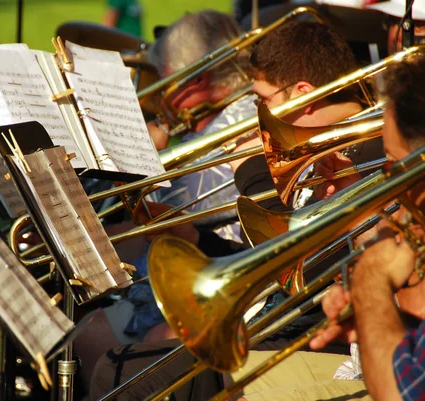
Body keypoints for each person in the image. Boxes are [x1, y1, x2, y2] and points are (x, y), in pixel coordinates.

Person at [88, 19, 376, 401]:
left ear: (304, 93)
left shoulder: (366, 153)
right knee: (117, 364)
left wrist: (252, 173)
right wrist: (197, 238)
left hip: (306, 333)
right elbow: (275, 256)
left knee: (118, 371)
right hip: (272, 320)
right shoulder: (320, 148)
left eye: (263, 99)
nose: (256, 110)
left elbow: (300, 262)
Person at [74, 11, 257, 394]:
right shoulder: (234, 115)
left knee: (92, 334)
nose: (159, 92)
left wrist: (135, 147)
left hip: (213, 289)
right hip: (197, 270)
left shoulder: (213, 143)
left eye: (165, 77)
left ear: (198, 79)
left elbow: (156, 220)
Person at [227, 53, 425, 401]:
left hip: (397, 380)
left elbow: (402, 390)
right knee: (223, 379)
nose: (385, 176)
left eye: (393, 164)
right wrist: (356, 210)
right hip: (379, 361)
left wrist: (371, 284)